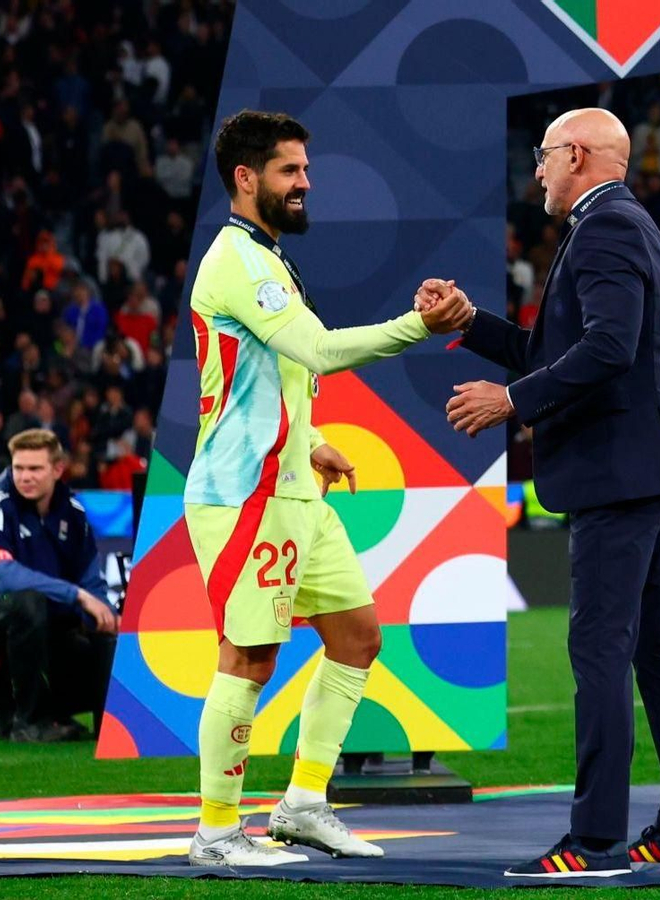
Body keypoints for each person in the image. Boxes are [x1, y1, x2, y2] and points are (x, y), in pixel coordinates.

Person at [421, 107, 660, 878]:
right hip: (650, 466)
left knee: (602, 651)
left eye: (546, 158)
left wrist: (511, 400)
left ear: (576, 154)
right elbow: (566, 349)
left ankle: (596, 842)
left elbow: (609, 350)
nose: (538, 172)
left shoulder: (604, 228)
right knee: (659, 650)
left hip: (620, 474)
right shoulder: (624, 222)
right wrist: (471, 323)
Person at [180, 110, 469, 868]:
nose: (306, 183)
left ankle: (304, 804)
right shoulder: (237, 260)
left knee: (356, 637)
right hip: (244, 494)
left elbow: (251, 379)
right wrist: (418, 324)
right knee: (248, 656)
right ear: (245, 179)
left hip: (292, 485)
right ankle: (215, 833)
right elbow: (313, 349)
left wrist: (311, 440)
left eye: (306, 169)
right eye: (289, 171)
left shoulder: (266, 256)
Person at [0, 429, 119, 744]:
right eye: (18, 468)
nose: (25, 477)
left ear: (57, 469)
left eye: (35, 469)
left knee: (106, 630)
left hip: (42, 634)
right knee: (27, 601)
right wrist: (76, 595)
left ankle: (108, 725)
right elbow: (3, 576)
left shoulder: (74, 514)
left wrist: (105, 614)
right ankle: (27, 720)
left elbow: (91, 582)